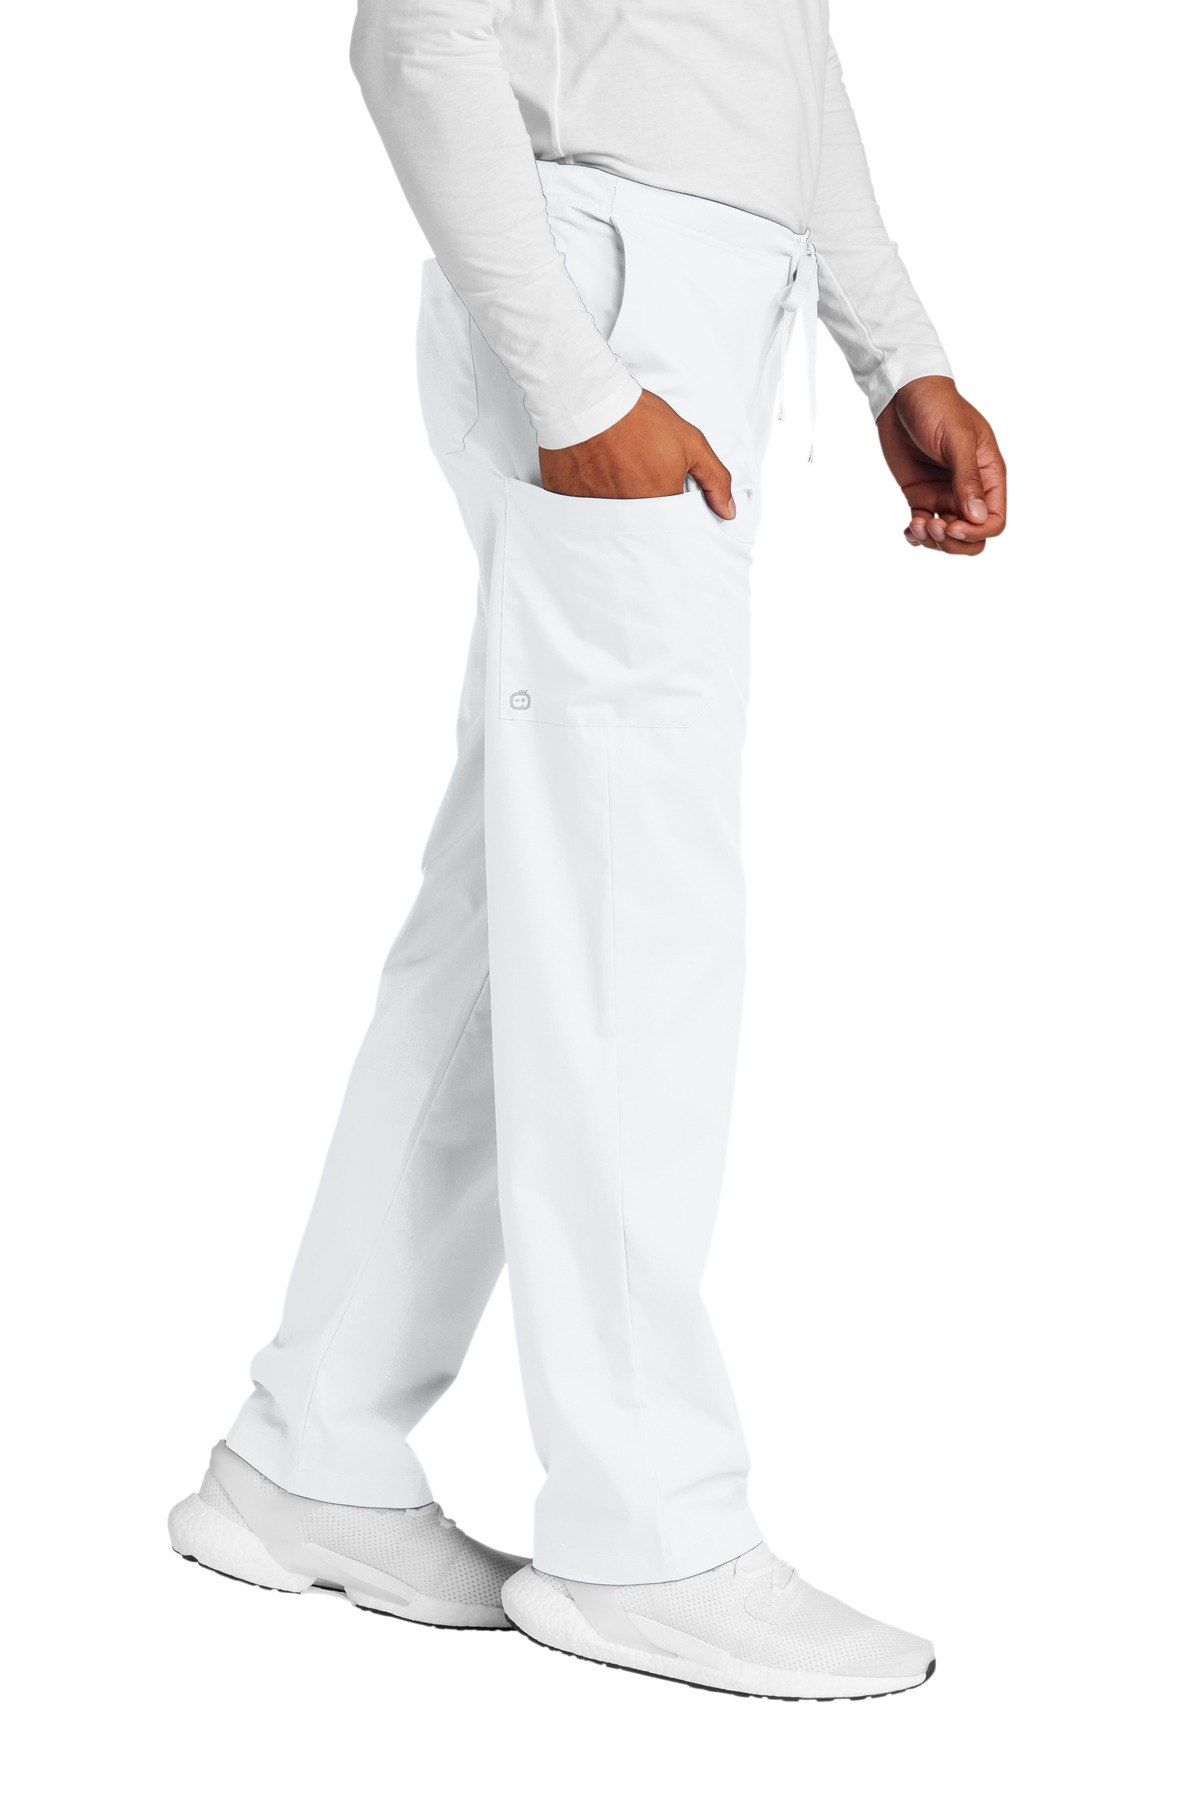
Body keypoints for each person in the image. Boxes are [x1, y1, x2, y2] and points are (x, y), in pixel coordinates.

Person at [169, 0, 1005, 1702]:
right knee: (635, 925)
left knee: (528, 914)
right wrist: (573, 381)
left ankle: (314, 1443)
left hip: (678, 301)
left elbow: (783, 55)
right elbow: (414, 33)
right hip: (613, 309)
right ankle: (648, 1536)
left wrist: (893, 349)